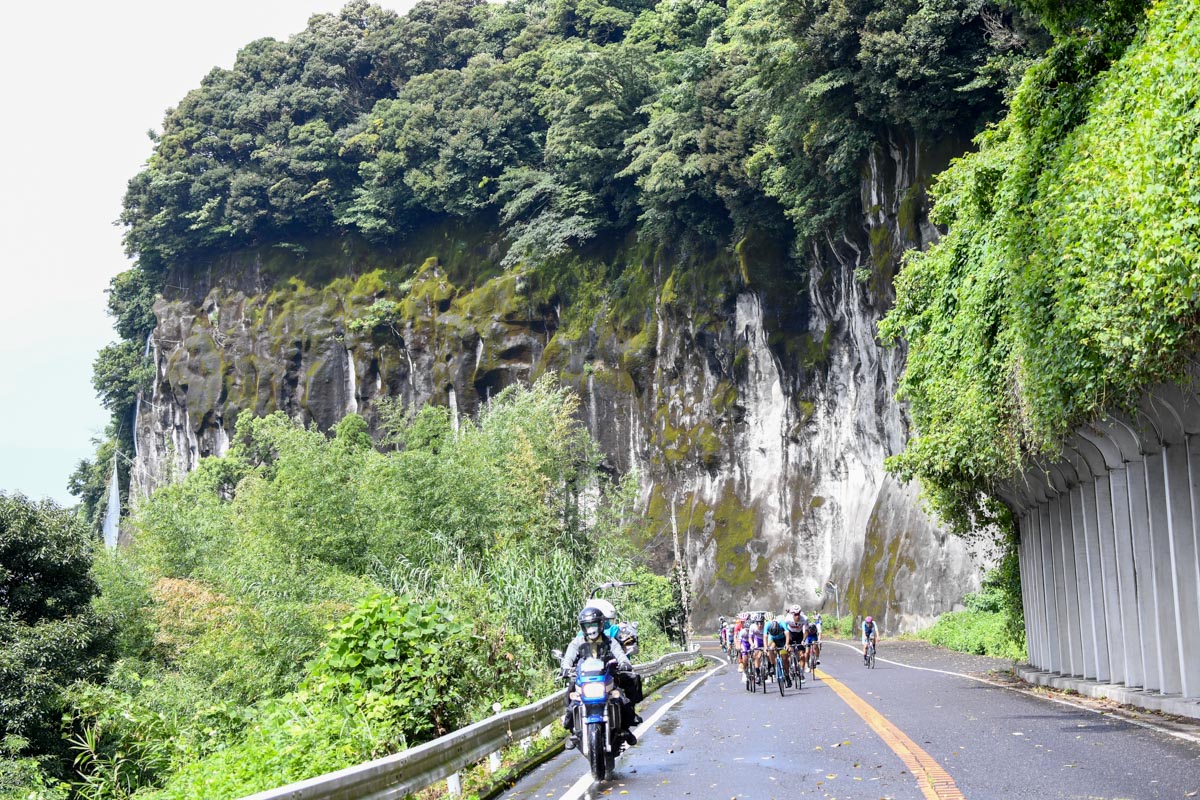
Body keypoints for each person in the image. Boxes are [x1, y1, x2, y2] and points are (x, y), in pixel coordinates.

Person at [560, 606, 637, 748]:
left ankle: (626, 729)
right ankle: (572, 732)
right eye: (587, 625)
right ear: (583, 627)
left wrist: (624, 663)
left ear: (600, 624)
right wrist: (565, 667)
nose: (591, 628)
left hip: (606, 676)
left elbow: (619, 653)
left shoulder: (610, 641)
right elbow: (570, 654)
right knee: (571, 699)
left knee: (622, 700)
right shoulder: (578, 641)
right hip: (584, 677)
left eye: (594, 624)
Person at [763, 614, 791, 686]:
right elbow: (765, 636)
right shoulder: (767, 624)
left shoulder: (782, 623)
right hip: (773, 639)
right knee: (771, 649)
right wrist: (765, 647)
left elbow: (787, 633)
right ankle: (772, 665)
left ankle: (787, 676)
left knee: (784, 658)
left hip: (782, 639)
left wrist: (787, 644)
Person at [784, 606, 808, 674]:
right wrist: (787, 643)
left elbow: (806, 630)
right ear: (792, 614)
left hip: (799, 635)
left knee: (802, 655)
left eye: (798, 614)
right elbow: (784, 630)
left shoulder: (804, 619)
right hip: (790, 634)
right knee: (788, 652)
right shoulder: (788, 618)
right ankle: (790, 664)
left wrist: (803, 640)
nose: (797, 616)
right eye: (795, 614)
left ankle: (801, 672)